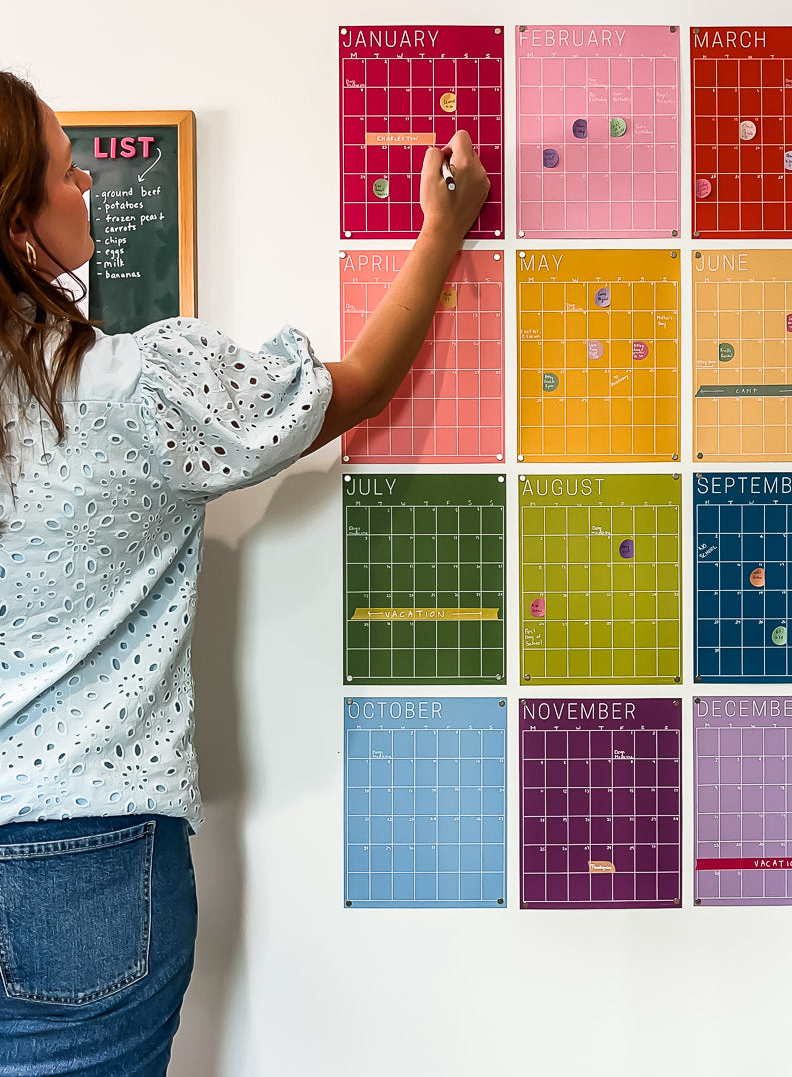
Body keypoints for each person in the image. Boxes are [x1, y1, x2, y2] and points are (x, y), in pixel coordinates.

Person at [0, 70, 489, 1075]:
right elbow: (351, 390)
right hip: (85, 862)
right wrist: (441, 236)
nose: (86, 177)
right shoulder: (129, 390)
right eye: (62, 167)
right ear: (18, 223)